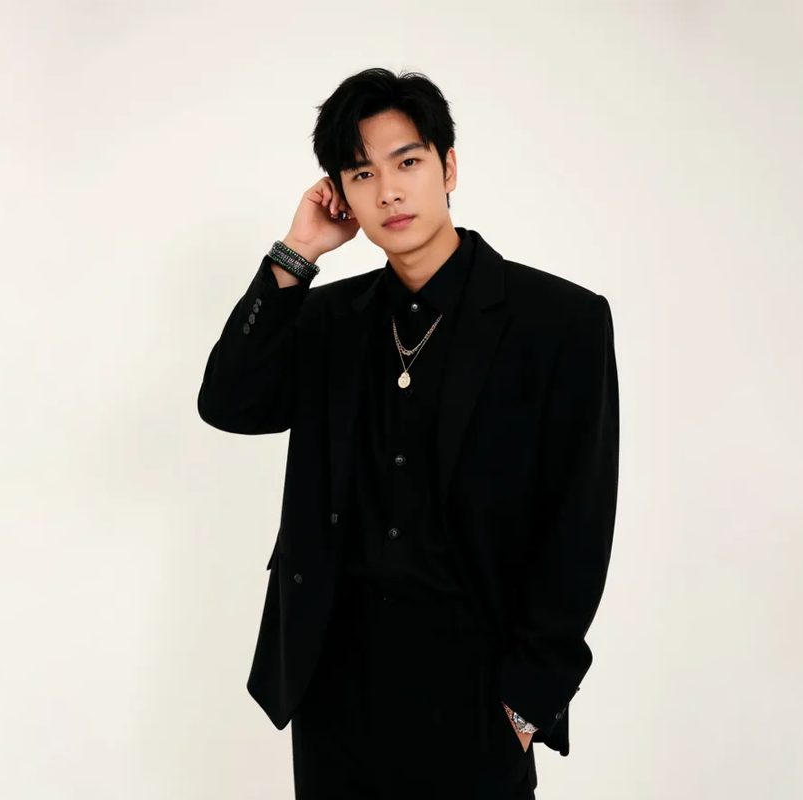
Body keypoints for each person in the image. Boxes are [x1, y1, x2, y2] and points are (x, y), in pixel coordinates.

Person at [197, 67, 620, 800]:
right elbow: (230, 402)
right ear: (342, 194)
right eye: (362, 174)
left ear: (448, 167)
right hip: (334, 685)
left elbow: (580, 521)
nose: (389, 191)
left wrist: (528, 701)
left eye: (408, 162)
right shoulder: (330, 320)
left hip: (477, 688)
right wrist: (297, 252)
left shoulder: (559, 323)